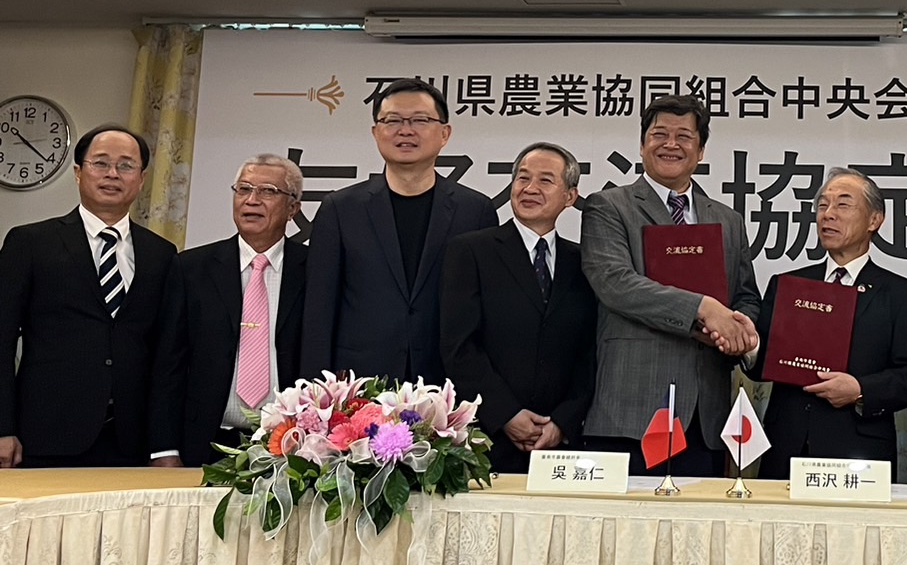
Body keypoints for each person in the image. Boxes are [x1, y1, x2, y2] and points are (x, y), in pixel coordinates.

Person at [579, 95, 762, 476]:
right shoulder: (609, 206)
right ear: (642, 144)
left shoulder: (727, 220)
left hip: (704, 418)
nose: (671, 144)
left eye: (684, 136)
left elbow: (745, 295)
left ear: (701, 151)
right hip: (631, 411)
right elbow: (616, 283)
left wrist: (737, 331)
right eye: (659, 134)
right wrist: (704, 309)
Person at [0, 124, 177, 467]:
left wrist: (163, 446)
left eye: (126, 165)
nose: (113, 174)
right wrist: (2, 427)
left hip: (131, 441)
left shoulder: (162, 254)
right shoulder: (30, 243)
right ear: (79, 172)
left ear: (142, 179)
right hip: (45, 435)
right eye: (101, 163)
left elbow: (166, 356)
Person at [301, 78, 497, 384]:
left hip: (447, 383)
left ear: (445, 133)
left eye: (420, 120)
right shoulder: (340, 209)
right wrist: (317, 392)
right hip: (359, 385)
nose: (405, 130)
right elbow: (319, 311)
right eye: (392, 120)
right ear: (375, 132)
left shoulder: (475, 211)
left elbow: (487, 314)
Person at [751, 168, 907, 480]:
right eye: (822, 205)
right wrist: (746, 343)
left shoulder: (902, 295)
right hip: (787, 449)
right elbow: (760, 364)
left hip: (860, 454)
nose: (828, 214)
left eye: (843, 205)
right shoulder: (788, 286)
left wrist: (860, 390)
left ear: (874, 220)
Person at [441, 142, 597, 473]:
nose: (529, 188)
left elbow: (590, 353)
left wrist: (563, 422)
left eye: (545, 180)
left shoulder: (584, 261)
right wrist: (505, 414)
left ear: (570, 196)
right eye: (522, 178)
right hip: (486, 438)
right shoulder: (472, 251)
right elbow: (459, 346)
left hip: (560, 445)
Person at [149, 155, 308, 467]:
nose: (252, 200)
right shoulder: (191, 269)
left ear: (293, 208)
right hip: (205, 443)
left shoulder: (316, 270)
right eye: (243, 189)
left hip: (292, 447)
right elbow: (168, 364)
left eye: (268, 191)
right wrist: (164, 449)